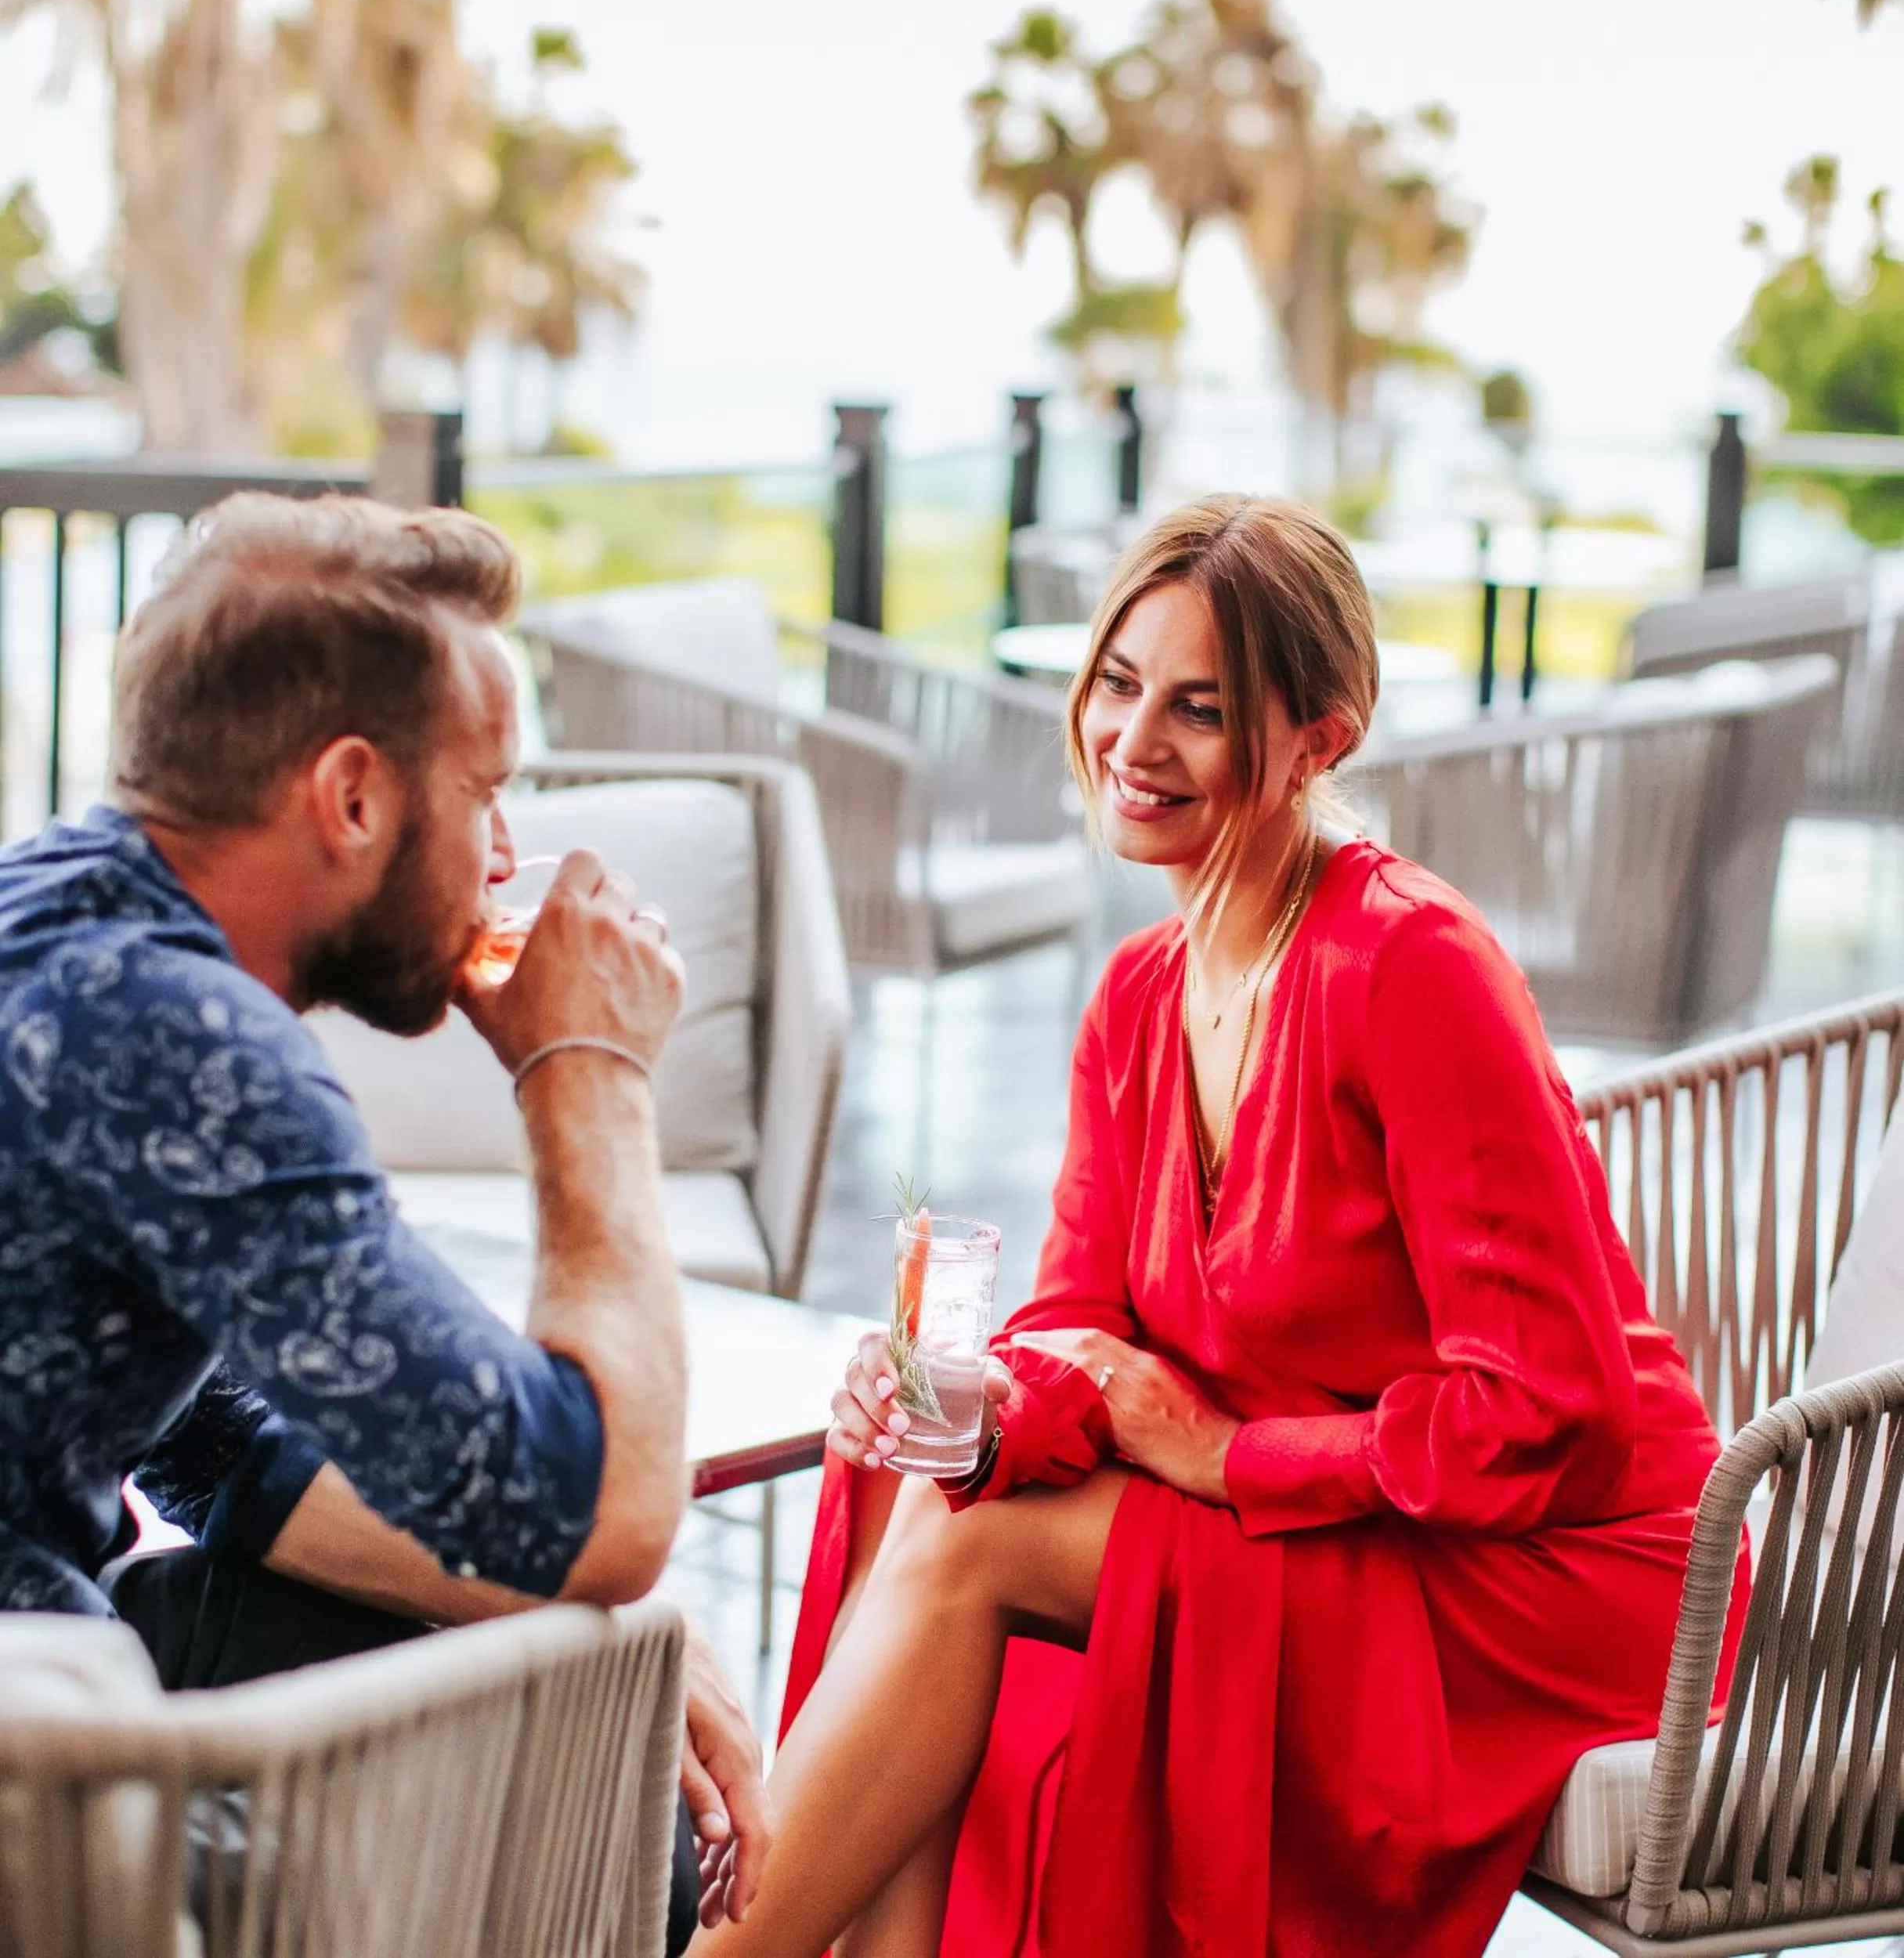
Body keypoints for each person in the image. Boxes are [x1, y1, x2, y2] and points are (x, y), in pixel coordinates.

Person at [692, 497, 1749, 1958]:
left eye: (1199, 708)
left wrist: (1226, 1451)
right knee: (916, 1476)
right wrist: (980, 1401)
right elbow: (1080, 1327)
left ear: (1324, 733)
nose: (1134, 742)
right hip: (1347, 1525)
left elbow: (1545, 1413)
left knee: (961, 1550)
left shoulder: (1410, 967)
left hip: (1541, 1574)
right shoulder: (1139, 993)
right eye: (1118, 684)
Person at [0, 493, 767, 1950]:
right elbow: (604, 1518)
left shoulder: (53, 918)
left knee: (592, 1723)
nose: (505, 851)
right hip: (30, 1766)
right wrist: (584, 1067)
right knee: (590, 1802)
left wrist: (609, 1642)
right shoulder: (190, 1039)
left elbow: (204, 1431)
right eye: (487, 789)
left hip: (51, 1664)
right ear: (353, 797)